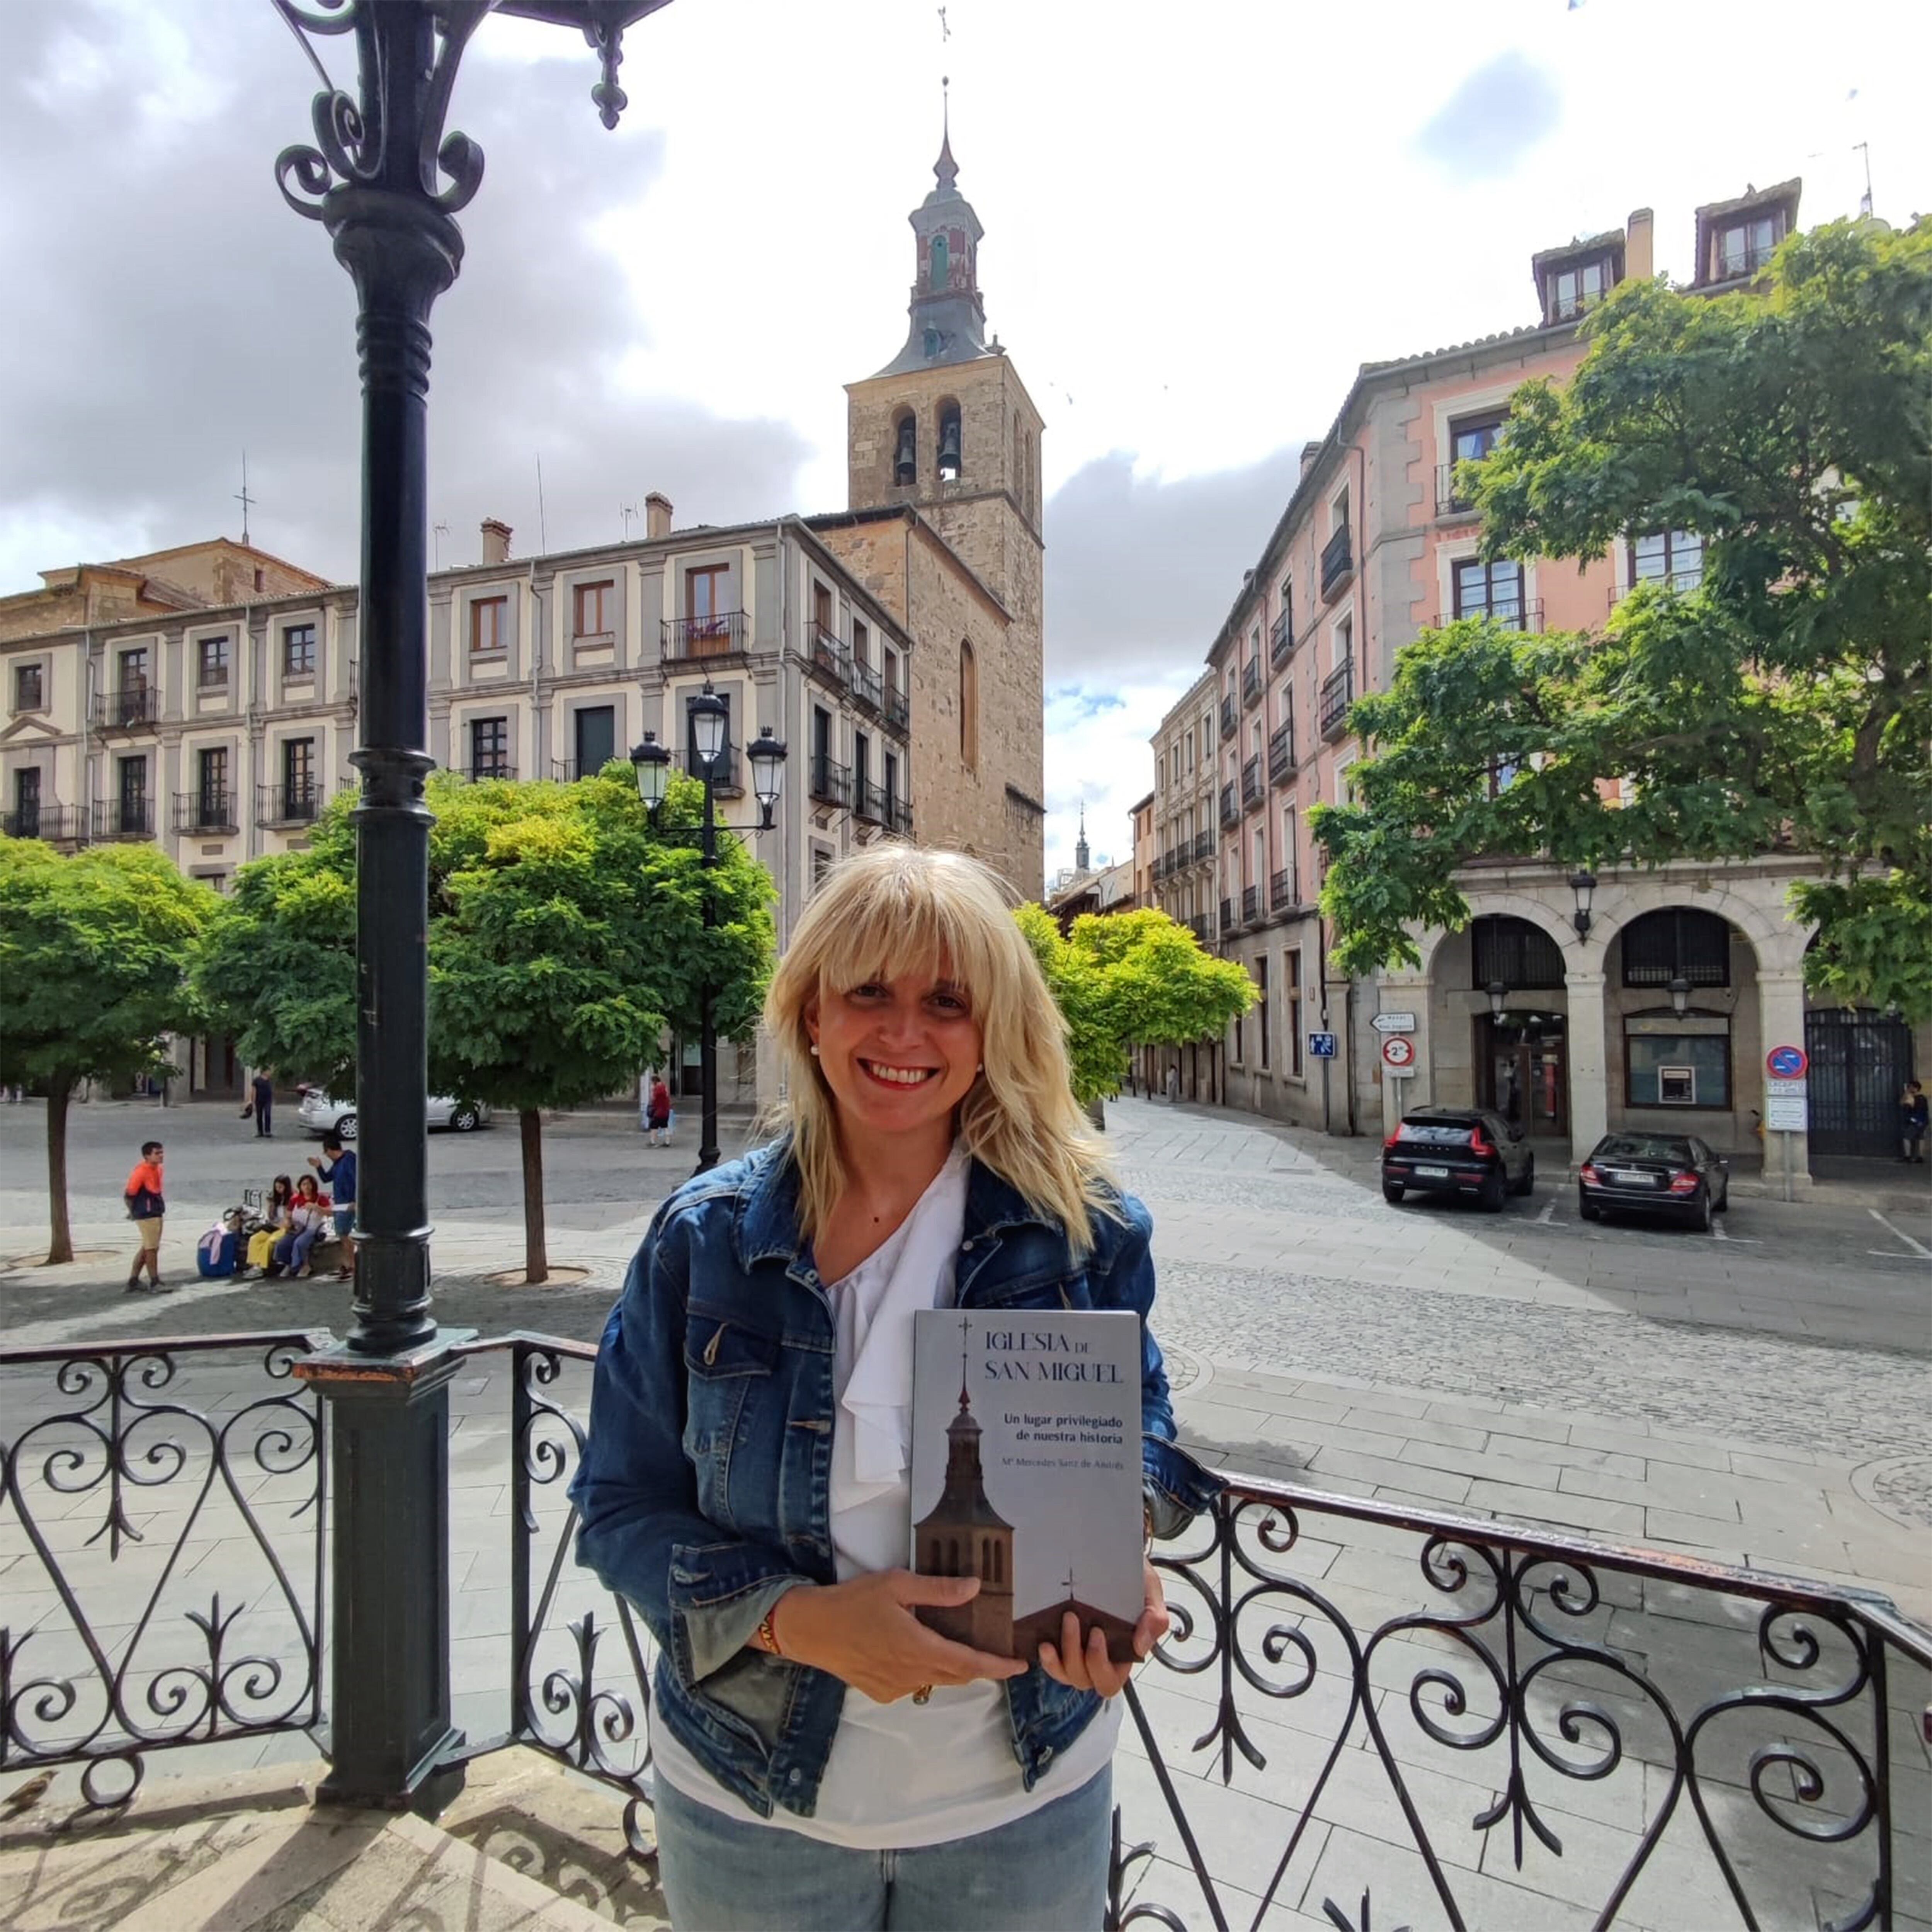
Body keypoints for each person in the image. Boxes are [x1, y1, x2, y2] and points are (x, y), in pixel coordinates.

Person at [571, 846, 1218, 1932]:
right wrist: (797, 1624)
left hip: (1024, 1806)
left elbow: (1138, 1429)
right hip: (752, 1802)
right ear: (811, 1013)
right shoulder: (708, 1241)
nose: (905, 1033)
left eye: (948, 1002)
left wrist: (1124, 1550)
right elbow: (618, 1510)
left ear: (995, 1028)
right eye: (869, 991)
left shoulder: (1084, 1231)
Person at [123, 1139, 173, 1294]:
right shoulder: (141, 1172)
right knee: (152, 1249)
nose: (161, 1156)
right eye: (157, 1153)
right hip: (146, 1213)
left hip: (156, 1210)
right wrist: (133, 1213)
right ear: (147, 1156)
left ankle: (133, 1281)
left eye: (162, 1152)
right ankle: (154, 1282)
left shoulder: (158, 1169)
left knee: (148, 1248)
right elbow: (129, 1195)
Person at [310, 1133, 357, 1280]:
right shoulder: (338, 1164)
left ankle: (352, 1266)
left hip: (348, 1204)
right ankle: (347, 1264)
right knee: (342, 1235)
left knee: (345, 1235)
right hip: (340, 1204)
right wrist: (319, 1167)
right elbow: (326, 1178)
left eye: (326, 1152)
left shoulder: (349, 1160)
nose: (326, 1155)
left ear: (330, 1150)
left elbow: (356, 1180)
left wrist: (355, 1201)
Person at [272, 1174, 327, 1279]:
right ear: (300, 1186)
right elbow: (288, 1215)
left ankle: (305, 1266)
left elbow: (331, 1213)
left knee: (300, 1243)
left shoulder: (321, 1198)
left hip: (314, 1229)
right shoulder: (295, 1200)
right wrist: (288, 1222)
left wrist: (317, 1208)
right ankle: (288, 1264)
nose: (307, 1187)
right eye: (304, 1184)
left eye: (309, 1184)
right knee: (283, 1243)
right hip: (298, 1228)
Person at [243, 1175, 296, 1277]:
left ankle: (262, 1267)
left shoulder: (293, 1199)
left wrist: (285, 1223)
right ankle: (254, 1265)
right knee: (255, 1239)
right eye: (277, 1187)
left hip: (286, 1227)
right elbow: (271, 1217)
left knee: (270, 1242)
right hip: (274, 1225)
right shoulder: (275, 1199)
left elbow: (292, 1217)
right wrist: (271, 1206)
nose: (278, 1190)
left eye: (281, 1187)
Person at [1903, 1079, 1929, 1164]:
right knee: (1921, 1139)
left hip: (1915, 1122)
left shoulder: (1914, 1098)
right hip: (1923, 1122)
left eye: (1910, 1087)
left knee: (1907, 1138)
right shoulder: (1923, 1098)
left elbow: (1909, 1108)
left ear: (1915, 1088)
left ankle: (1908, 1156)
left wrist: (1913, 1120)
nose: (1909, 1089)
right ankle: (1920, 1157)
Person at [645, 1072, 673, 1148]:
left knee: (654, 1127)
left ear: (654, 1081)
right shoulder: (664, 1087)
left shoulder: (657, 1089)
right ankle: (668, 1142)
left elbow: (653, 1099)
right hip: (666, 1110)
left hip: (658, 1111)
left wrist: (652, 1091)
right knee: (665, 1126)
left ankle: (653, 1142)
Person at [250, 1069, 276, 1138]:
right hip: (259, 1101)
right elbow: (254, 1091)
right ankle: (260, 1132)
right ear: (264, 1072)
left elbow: (270, 1090)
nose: (270, 1073)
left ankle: (268, 1131)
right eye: (269, 1071)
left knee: (268, 1115)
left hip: (268, 1101)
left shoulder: (269, 1081)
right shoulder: (257, 1080)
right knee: (259, 1116)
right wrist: (253, 1103)